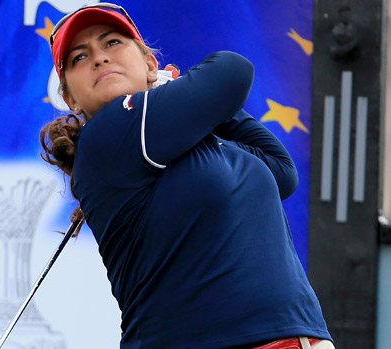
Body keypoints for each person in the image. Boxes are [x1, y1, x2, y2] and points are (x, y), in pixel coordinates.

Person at [39, 3, 334, 348]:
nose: (100, 58)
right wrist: (177, 90)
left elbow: (282, 173)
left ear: (150, 64)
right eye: (79, 58)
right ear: (71, 99)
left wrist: (195, 102)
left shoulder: (190, 145)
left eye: (113, 43)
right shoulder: (111, 131)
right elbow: (233, 70)